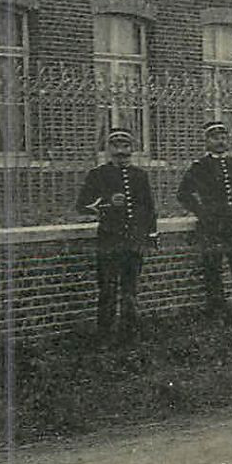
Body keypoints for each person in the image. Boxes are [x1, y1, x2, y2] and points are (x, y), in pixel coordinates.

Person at [76, 128, 158, 344]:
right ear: (108, 149)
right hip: (109, 240)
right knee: (108, 288)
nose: (121, 151)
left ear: (132, 149)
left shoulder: (140, 176)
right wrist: (106, 203)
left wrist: (150, 236)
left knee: (130, 290)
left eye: (125, 146)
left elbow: (148, 208)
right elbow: (82, 205)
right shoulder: (98, 175)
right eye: (116, 145)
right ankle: (105, 334)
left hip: (133, 241)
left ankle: (129, 334)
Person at [177, 119, 232, 324]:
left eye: (223, 137)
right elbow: (183, 193)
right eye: (215, 138)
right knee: (213, 269)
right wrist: (202, 212)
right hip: (211, 226)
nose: (221, 142)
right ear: (206, 141)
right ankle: (218, 314)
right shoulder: (199, 167)